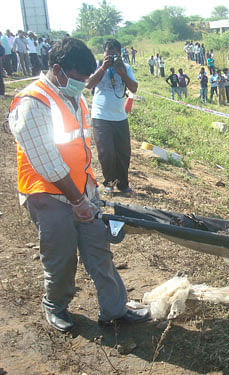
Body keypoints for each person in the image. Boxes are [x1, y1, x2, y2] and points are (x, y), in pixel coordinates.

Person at [8, 37, 149, 332]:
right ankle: (55, 305)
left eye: (86, 78)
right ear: (58, 70)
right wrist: (77, 201)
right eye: (78, 78)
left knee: (100, 251)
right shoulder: (32, 102)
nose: (83, 84)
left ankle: (113, 309)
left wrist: (88, 194)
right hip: (46, 195)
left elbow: (80, 149)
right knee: (61, 258)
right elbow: (47, 162)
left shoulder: (74, 96)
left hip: (82, 190)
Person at [86, 38, 138, 196]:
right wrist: (103, 68)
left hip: (120, 116)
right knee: (106, 152)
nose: (112, 57)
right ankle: (109, 183)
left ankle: (123, 184)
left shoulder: (125, 67)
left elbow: (134, 88)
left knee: (123, 152)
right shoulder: (97, 65)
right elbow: (89, 84)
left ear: (120, 54)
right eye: (109, 53)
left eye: (115, 54)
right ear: (104, 53)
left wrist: (122, 73)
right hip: (101, 115)